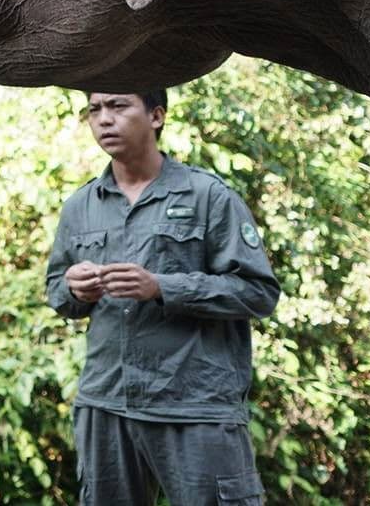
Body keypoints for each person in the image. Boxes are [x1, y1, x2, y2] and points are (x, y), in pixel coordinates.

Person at [46, 89, 279, 506]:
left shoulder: (207, 196)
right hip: (106, 405)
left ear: (156, 116)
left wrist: (163, 288)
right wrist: (74, 288)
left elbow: (258, 292)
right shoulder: (80, 206)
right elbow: (57, 293)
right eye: (94, 109)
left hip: (193, 407)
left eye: (118, 106)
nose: (104, 119)